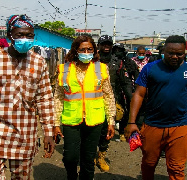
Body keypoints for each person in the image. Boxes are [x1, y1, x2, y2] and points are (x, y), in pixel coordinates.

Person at [0, 14, 55, 179]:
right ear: (9, 35)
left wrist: (48, 132)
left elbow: (45, 99)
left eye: (29, 35)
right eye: (20, 34)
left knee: (20, 177)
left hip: (25, 135)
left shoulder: (39, 62)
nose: (25, 39)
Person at [124, 35, 187, 180]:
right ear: (163, 50)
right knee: (149, 164)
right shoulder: (150, 68)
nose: (174, 56)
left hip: (180, 127)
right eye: (170, 52)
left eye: (179, 54)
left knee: (177, 168)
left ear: (185, 53)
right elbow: (139, 95)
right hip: (153, 125)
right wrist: (132, 122)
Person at [53, 35, 116, 180]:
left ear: (94, 51)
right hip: (71, 120)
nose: (86, 52)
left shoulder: (101, 68)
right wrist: (55, 123)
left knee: (88, 159)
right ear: (76, 51)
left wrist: (111, 120)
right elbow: (58, 97)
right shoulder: (63, 69)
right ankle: (72, 176)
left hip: (94, 120)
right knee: (70, 157)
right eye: (83, 49)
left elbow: (108, 95)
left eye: (90, 49)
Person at [94, 35, 117, 172]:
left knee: (106, 132)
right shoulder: (91, 60)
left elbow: (123, 82)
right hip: (93, 100)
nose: (106, 46)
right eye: (104, 44)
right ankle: (90, 155)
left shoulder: (118, 61)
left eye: (109, 44)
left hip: (111, 101)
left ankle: (101, 156)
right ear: (99, 45)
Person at [112, 43, 139, 141]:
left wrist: (135, 89)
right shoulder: (109, 61)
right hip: (111, 87)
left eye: (119, 50)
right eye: (115, 50)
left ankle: (122, 132)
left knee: (125, 109)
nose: (117, 52)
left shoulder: (129, 62)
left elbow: (136, 74)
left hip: (125, 88)